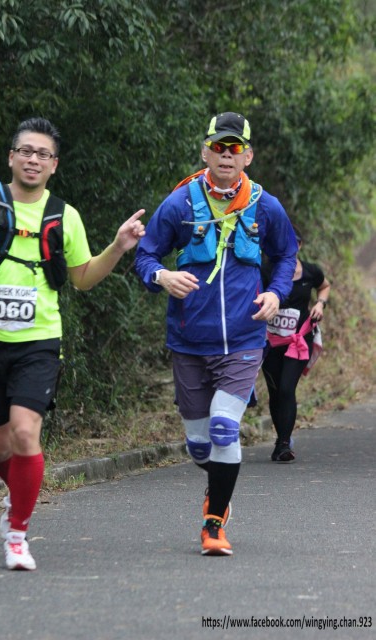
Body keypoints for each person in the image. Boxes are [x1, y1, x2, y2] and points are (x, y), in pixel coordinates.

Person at [0, 117, 145, 571]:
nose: (33, 159)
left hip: (39, 342)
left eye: (43, 154)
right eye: (26, 151)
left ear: (54, 165)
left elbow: (83, 278)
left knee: (25, 431)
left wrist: (117, 247)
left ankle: (17, 532)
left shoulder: (64, 215)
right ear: (11, 158)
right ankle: (16, 495)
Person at [135, 111, 298, 556]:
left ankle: (214, 522)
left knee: (225, 429)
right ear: (205, 152)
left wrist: (276, 293)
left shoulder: (265, 205)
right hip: (189, 341)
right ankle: (218, 487)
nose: (226, 155)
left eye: (235, 148)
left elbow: (287, 254)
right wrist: (162, 277)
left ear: (248, 156)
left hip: (244, 340)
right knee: (199, 446)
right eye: (218, 147)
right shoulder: (180, 204)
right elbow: (146, 256)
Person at [261, 229, 331, 462]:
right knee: (275, 392)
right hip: (271, 342)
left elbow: (325, 286)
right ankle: (281, 439)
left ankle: (283, 444)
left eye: (294, 243)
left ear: (300, 245)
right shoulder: (266, 271)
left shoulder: (311, 271)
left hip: (299, 340)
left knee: (286, 388)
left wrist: (320, 304)